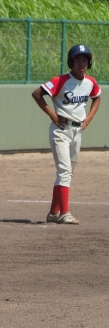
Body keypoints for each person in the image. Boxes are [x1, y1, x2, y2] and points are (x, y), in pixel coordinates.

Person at [32, 44, 102, 225]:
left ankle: (53, 212)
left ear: (89, 63)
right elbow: (37, 94)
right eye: (77, 60)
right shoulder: (60, 80)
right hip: (61, 131)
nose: (81, 63)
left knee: (68, 173)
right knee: (64, 171)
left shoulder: (90, 82)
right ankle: (65, 213)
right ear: (71, 62)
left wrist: (89, 118)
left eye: (85, 60)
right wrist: (52, 114)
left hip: (77, 131)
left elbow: (97, 98)